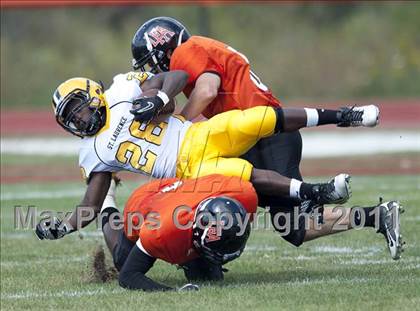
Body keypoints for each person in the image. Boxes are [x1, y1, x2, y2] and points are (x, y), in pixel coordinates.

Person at [130, 17, 403, 262]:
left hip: (267, 137)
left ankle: (325, 190)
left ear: (162, 47)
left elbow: (207, 90)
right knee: (291, 226)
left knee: (288, 222)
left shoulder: (186, 51)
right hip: (261, 136)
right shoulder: (200, 48)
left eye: (150, 62)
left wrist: (179, 125)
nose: (154, 71)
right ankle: (370, 213)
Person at [99, 174, 257, 291]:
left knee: (207, 277)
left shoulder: (244, 195)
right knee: (122, 260)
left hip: (183, 190)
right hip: (148, 198)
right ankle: (107, 195)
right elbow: (128, 276)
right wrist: (174, 292)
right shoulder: (163, 230)